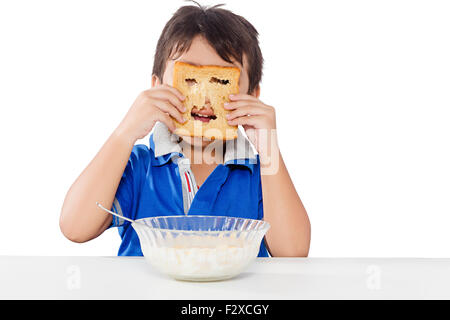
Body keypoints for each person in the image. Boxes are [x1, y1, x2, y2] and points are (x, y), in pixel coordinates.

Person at [60, 2, 311, 257]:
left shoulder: (262, 176)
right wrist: (125, 132)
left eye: (222, 82)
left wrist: (268, 147)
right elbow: (75, 227)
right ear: (156, 87)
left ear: (252, 96)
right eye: (189, 79)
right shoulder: (139, 166)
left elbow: (292, 253)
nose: (204, 99)